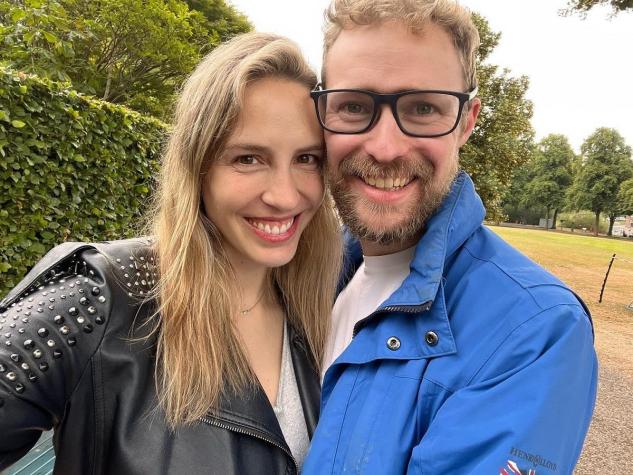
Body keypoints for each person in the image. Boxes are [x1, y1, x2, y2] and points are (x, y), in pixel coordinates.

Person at [0, 32, 342, 474]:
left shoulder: (323, 306)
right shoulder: (103, 296)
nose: (284, 194)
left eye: (308, 159)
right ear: (197, 166)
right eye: (247, 158)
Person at [302, 1, 598, 474]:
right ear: (322, 114)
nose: (384, 147)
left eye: (422, 109)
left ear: (466, 121)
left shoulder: (536, 332)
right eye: (354, 105)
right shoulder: (300, 276)